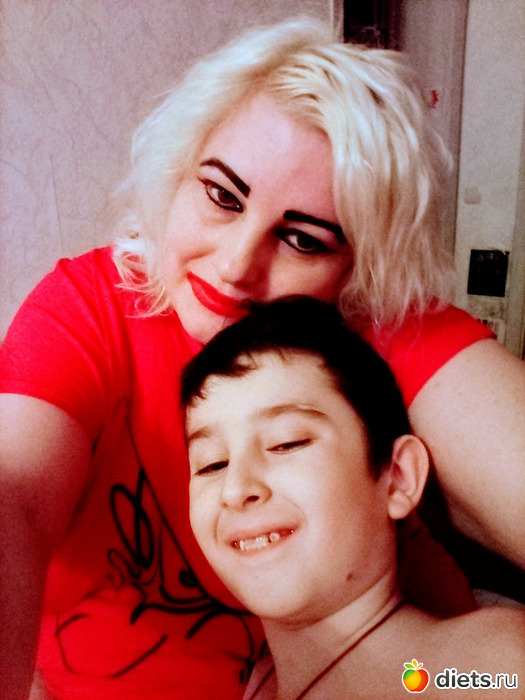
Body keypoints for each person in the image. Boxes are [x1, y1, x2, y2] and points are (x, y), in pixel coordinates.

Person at [0, 15, 524, 700]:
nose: (235, 265)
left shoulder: (372, 325)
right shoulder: (90, 308)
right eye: (222, 196)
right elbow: (14, 491)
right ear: (178, 172)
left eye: (304, 240)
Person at [182, 297, 525, 700]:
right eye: (212, 464)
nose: (235, 489)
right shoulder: (255, 685)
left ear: (397, 477)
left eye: (286, 443)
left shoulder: (490, 664)